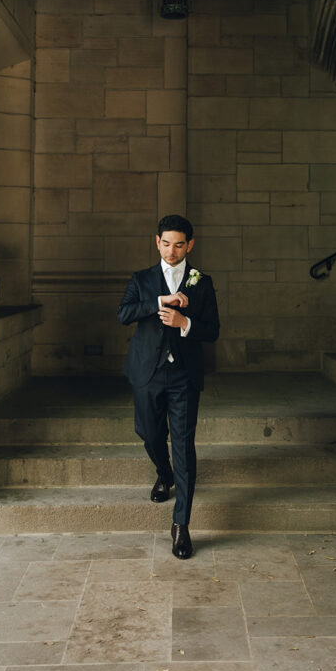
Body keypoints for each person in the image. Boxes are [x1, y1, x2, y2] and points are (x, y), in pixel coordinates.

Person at [117, 215, 220, 559]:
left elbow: (213, 329)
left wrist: (185, 322)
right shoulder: (142, 279)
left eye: (179, 244)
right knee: (148, 433)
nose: (172, 250)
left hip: (184, 376)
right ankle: (164, 474)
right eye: (166, 243)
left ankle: (181, 526)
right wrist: (160, 303)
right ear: (156, 241)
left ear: (189, 245)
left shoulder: (202, 282)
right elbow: (124, 314)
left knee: (184, 443)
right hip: (147, 371)